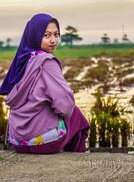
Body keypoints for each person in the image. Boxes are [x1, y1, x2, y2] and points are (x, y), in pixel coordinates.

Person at [0, 13, 90, 154]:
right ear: (35, 35)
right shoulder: (47, 62)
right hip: (43, 143)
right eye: (46, 35)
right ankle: (76, 161)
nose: (53, 40)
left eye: (56, 34)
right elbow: (65, 103)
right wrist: (59, 112)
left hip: (17, 141)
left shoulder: (24, 59)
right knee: (76, 116)